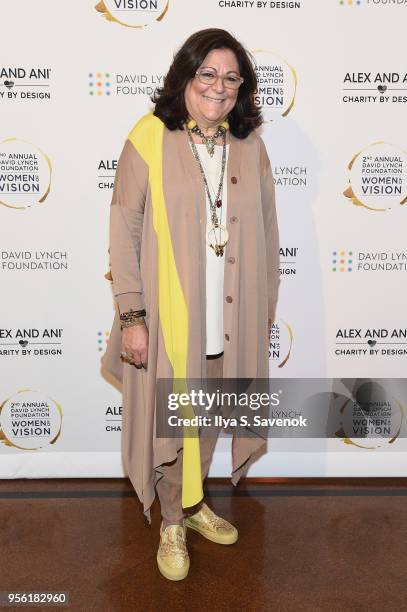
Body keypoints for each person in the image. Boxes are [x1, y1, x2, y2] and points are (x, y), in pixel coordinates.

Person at [102, 27, 280, 581]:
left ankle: (197, 504)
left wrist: (263, 311)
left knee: (213, 411)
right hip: (169, 313)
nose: (219, 86)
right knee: (173, 413)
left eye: (231, 77)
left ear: (241, 86)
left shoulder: (250, 144)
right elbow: (124, 230)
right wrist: (132, 315)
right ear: (186, 74)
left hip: (231, 311)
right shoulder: (148, 136)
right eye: (208, 73)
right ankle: (173, 519)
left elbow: (269, 231)